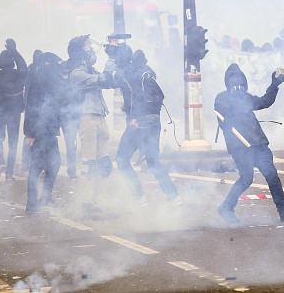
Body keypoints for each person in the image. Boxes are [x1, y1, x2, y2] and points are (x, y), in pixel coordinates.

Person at [215, 63, 284, 224]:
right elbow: (224, 118)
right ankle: (226, 207)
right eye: (233, 78)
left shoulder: (246, 97)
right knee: (246, 178)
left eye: (239, 77)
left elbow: (265, 102)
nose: (236, 81)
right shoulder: (222, 98)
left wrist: (274, 85)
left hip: (258, 142)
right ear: (227, 81)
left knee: (271, 174)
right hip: (240, 146)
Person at [114, 49, 182, 209]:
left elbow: (132, 95)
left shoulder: (130, 74)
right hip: (154, 122)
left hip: (139, 123)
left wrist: (133, 116)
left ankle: (139, 197)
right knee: (153, 161)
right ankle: (173, 196)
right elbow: (159, 97)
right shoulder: (148, 74)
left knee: (122, 159)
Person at [67, 35, 114, 196]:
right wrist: (110, 62)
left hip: (101, 116)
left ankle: (103, 200)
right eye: (88, 47)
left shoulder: (91, 71)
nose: (92, 49)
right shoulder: (76, 74)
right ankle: (86, 203)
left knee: (105, 163)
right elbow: (103, 80)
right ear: (80, 53)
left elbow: (109, 82)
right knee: (90, 164)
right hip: (87, 119)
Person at [24, 52, 64, 214]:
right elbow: (31, 108)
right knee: (36, 167)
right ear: (48, 65)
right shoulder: (38, 82)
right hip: (39, 132)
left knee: (54, 164)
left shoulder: (49, 82)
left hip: (49, 131)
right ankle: (32, 203)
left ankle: (46, 197)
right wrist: (30, 133)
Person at [0, 39, 27, 181]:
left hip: (0, 112)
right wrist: (14, 51)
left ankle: (0, 162)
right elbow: (24, 66)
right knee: (13, 143)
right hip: (14, 113)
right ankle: (9, 173)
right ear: (12, 62)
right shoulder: (19, 74)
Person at [21, 49, 43, 173]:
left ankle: (27, 162)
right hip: (33, 106)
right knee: (31, 134)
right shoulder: (33, 72)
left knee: (30, 134)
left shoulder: (32, 71)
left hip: (31, 106)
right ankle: (27, 162)